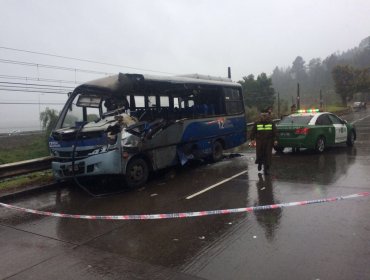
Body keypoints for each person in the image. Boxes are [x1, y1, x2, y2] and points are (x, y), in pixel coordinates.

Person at [250, 110, 278, 175]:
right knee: (259, 153)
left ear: (268, 116)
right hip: (260, 141)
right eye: (263, 115)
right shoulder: (257, 123)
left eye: (265, 115)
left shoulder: (271, 123)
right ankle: (259, 163)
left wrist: (276, 140)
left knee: (268, 155)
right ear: (260, 116)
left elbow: (275, 132)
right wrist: (252, 139)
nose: (264, 117)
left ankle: (267, 169)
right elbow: (253, 132)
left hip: (269, 141)